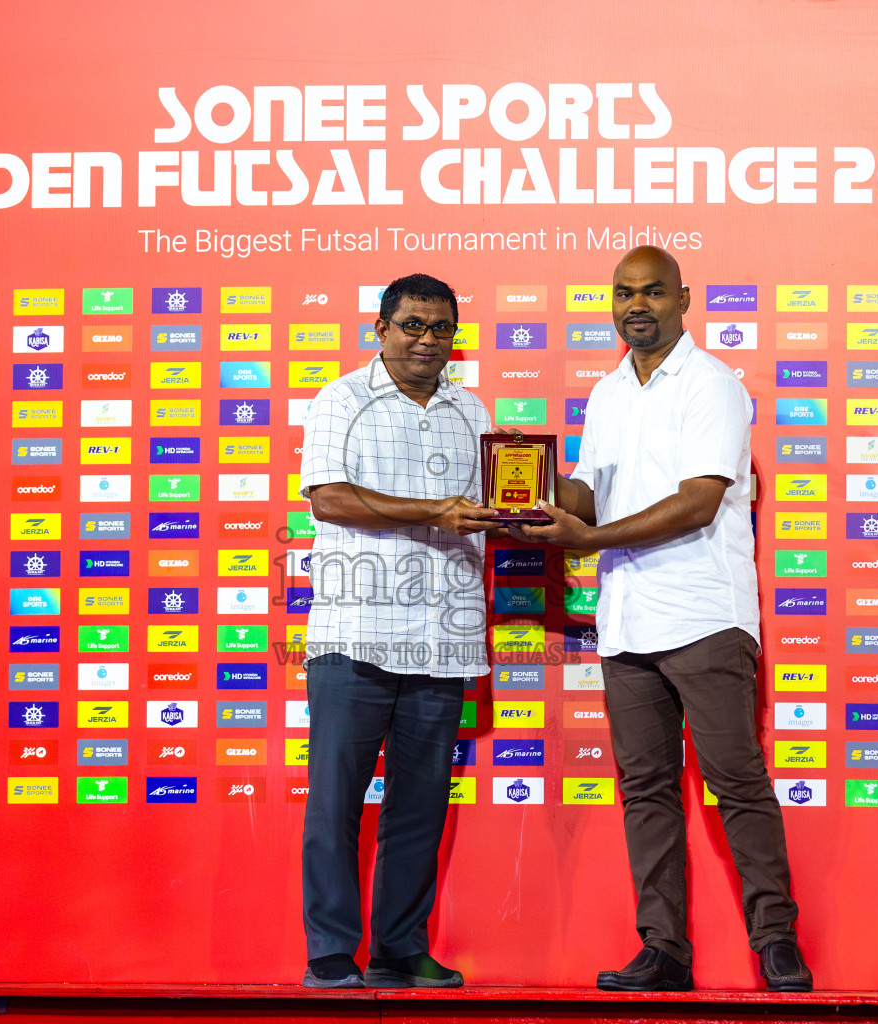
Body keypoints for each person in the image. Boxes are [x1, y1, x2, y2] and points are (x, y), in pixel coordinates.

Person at [513, 247, 812, 992]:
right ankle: (664, 949)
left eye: (651, 292)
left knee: (736, 780)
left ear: (683, 299)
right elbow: (591, 489)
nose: (635, 305)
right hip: (627, 618)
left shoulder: (712, 384)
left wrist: (590, 539)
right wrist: (533, 501)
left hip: (704, 613)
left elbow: (699, 499)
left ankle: (776, 938)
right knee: (646, 789)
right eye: (623, 293)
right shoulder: (609, 391)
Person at [297, 272, 499, 989]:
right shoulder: (340, 399)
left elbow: (502, 496)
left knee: (418, 810)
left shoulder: (472, 410)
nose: (426, 340)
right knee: (335, 804)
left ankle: (397, 949)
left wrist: (541, 501)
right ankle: (329, 950)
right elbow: (329, 498)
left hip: (442, 641)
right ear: (380, 329)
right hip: (355, 638)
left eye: (441, 328)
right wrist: (434, 511)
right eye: (412, 325)